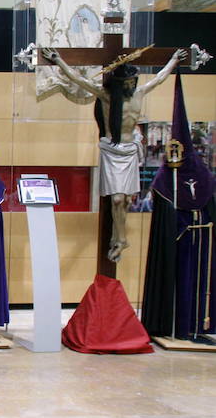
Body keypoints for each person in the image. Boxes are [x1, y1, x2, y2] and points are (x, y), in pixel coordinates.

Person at [41, 47, 186, 262]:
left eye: (133, 81)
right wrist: (58, 61)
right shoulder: (106, 96)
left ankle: (119, 238)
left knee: (126, 200)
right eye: (127, 82)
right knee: (117, 199)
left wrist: (174, 61)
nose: (131, 85)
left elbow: (159, 78)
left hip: (130, 151)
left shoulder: (139, 93)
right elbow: (79, 80)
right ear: (118, 83)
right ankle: (120, 239)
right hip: (112, 150)